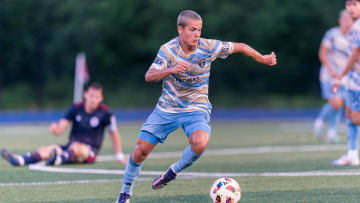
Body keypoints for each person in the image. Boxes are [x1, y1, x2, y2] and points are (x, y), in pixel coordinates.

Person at [116, 10, 277, 203]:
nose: (197, 34)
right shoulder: (168, 50)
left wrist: (261, 58)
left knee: (200, 143)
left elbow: (240, 46)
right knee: (140, 151)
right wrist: (172, 69)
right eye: (192, 29)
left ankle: (172, 172)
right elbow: (149, 76)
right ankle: (125, 192)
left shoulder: (208, 46)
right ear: (180, 29)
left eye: (199, 30)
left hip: (196, 107)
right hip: (168, 108)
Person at [0, 82, 127, 166]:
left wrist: (119, 155)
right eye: (91, 95)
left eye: (96, 97)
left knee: (77, 148)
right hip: (70, 147)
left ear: (101, 98)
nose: (93, 99)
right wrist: (55, 129)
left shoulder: (106, 113)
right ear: (85, 95)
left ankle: (57, 159)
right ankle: (20, 160)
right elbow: (60, 128)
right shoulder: (75, 108)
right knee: (47, 149)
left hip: (89, 151)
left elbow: (113, 133)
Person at [313, 10, 353, 143]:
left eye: (350, 20)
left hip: (344, 76)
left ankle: (332, 133)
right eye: (345, 20)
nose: (348, 22)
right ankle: (319, 123)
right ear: (340, 20)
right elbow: (322, 54)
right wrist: (331, 71)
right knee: (336, 103)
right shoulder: (332, 34)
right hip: (329, 75)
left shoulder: (354, 36)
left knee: (339, 104)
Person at [332, 0, 360, 166]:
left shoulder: (357, 28)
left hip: (357, 80)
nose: (350, 8)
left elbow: (355, 54)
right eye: (348, 4)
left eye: (355, 4)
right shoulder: (354, 27)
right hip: (352, 79)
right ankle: (352, 154)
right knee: (350, 116)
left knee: (355, 118)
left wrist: (339, 76)